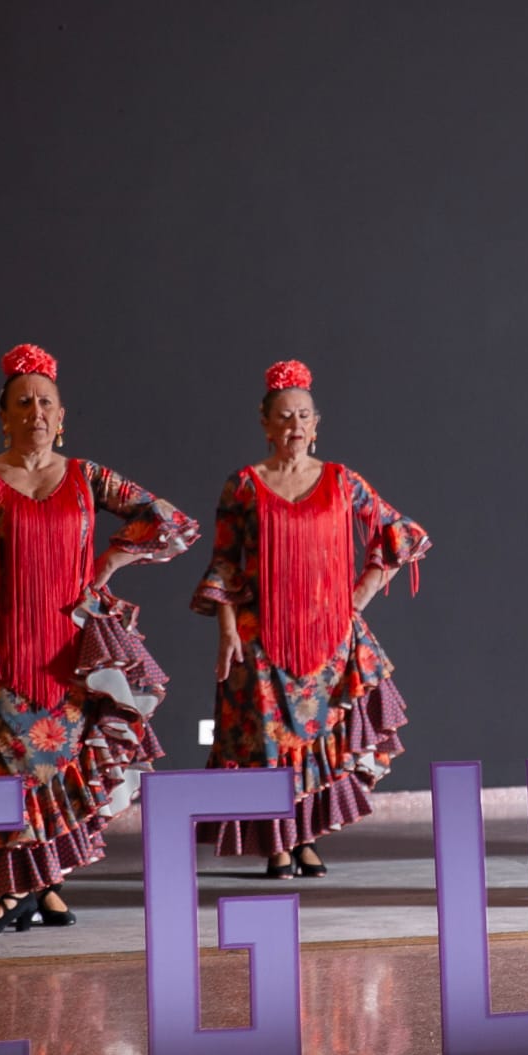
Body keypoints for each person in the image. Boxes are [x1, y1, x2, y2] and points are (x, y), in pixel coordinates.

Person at [0, 343, 199, 933]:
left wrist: (109, 563)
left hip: (68, 654)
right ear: (4, 416)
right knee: (5, 778)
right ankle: (5, 893)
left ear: (62, 415)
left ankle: (46, 887)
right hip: (2, 651)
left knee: (60, 773)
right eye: (23, 402)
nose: (36, 412)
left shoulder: (85, 476)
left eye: (46, 401)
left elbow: (171, 521)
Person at [192, 359, 430, 877]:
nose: (294, 425)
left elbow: (400, 533)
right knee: (269, 745)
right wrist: (227, 630)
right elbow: (224, 563)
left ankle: (305, 838)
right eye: (283, 416)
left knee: (317, 740)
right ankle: (277, 844)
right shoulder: (244, 486)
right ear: (265, 424)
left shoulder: (343, 481)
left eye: (303, 415)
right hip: (261, 636)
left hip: (329, 636)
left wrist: (359, 595)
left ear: (316, 426)